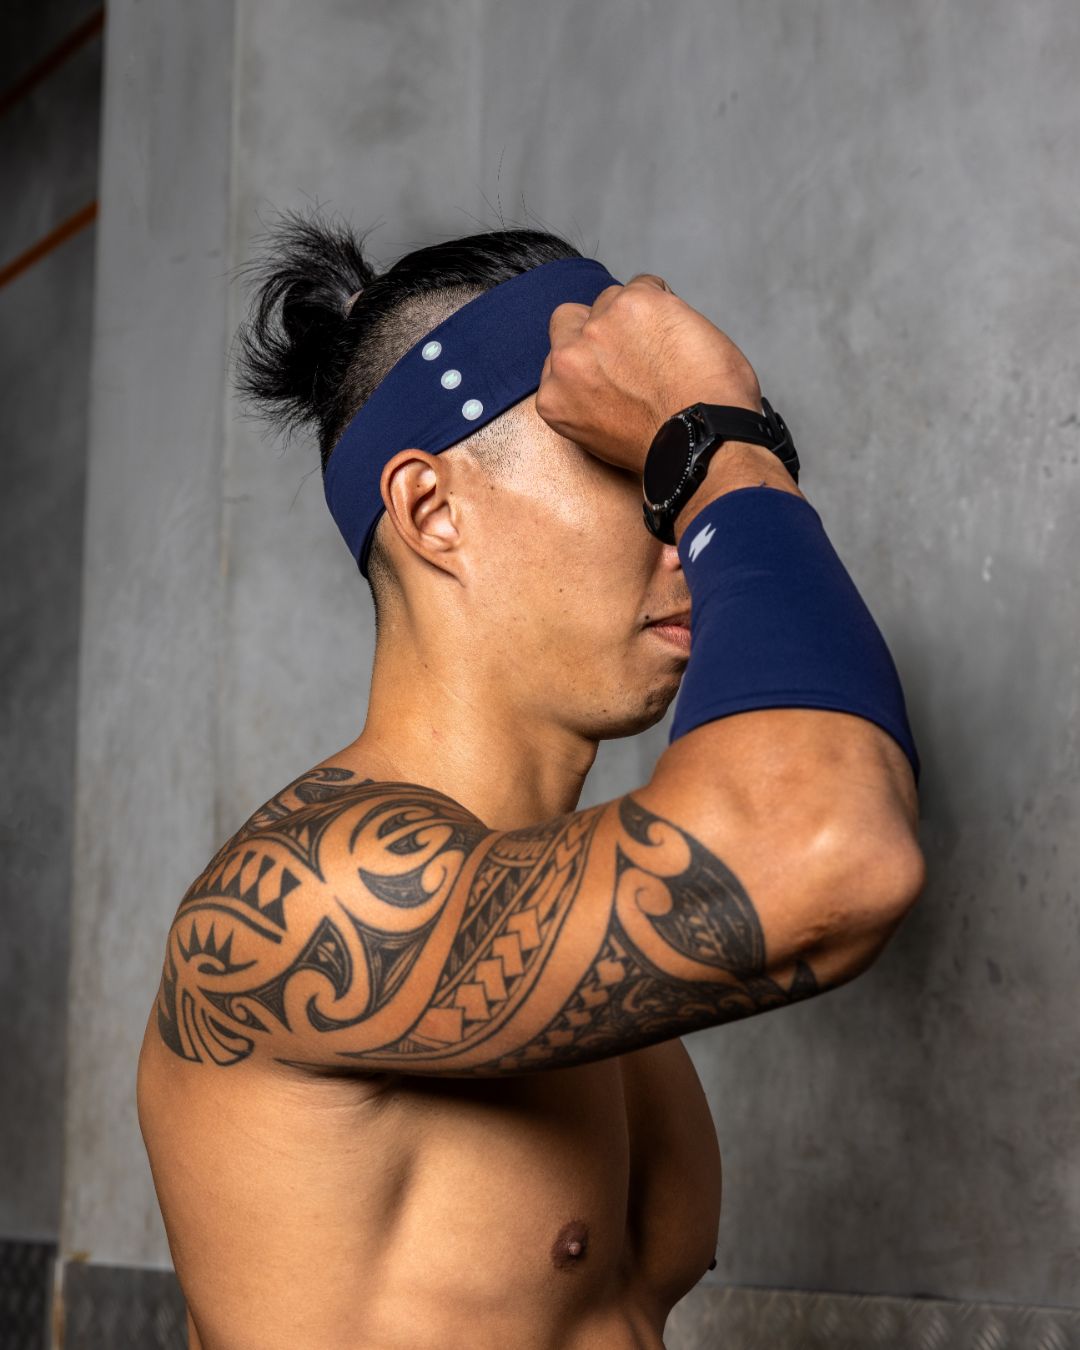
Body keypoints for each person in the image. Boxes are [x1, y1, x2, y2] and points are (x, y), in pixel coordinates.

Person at [136, 212, 926, 1350]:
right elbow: (829, 843)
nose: (682, 531)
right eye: (633, 465)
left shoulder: (556, 903)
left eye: (671, 480)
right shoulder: (314, 897)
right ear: (432, 511)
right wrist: (718, 446)